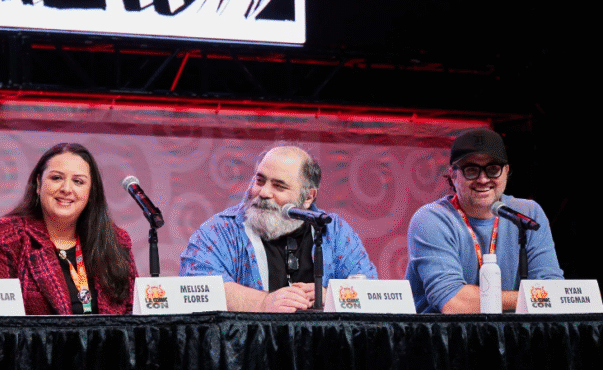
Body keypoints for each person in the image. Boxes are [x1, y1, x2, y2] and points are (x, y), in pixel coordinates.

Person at [179, 145, 377, 312]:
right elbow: (197, 287)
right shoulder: (218, 231)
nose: (264, 192)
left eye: (279, 186)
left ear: (308, 197)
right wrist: (263, 303)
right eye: (260, 180)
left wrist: (332, 297)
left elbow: (371, 292)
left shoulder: (334, 231)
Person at [406, 127, 562, 313]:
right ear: (453, 175)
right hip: (447, 338)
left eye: (493, 169)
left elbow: (554, 292)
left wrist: (544, 297)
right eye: (471, 170)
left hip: (515, 339)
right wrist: (530, 297)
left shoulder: (528, 214)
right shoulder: (431, 218)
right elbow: (454, 303)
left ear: (506, 171)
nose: (483, 179)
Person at [0, 143, 137, 314]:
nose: (66, 189)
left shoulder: (116, 241)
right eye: (56, 178)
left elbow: (134, 315)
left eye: (78, 181)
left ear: (91, 193)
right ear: (38, 184)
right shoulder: (3, 238)